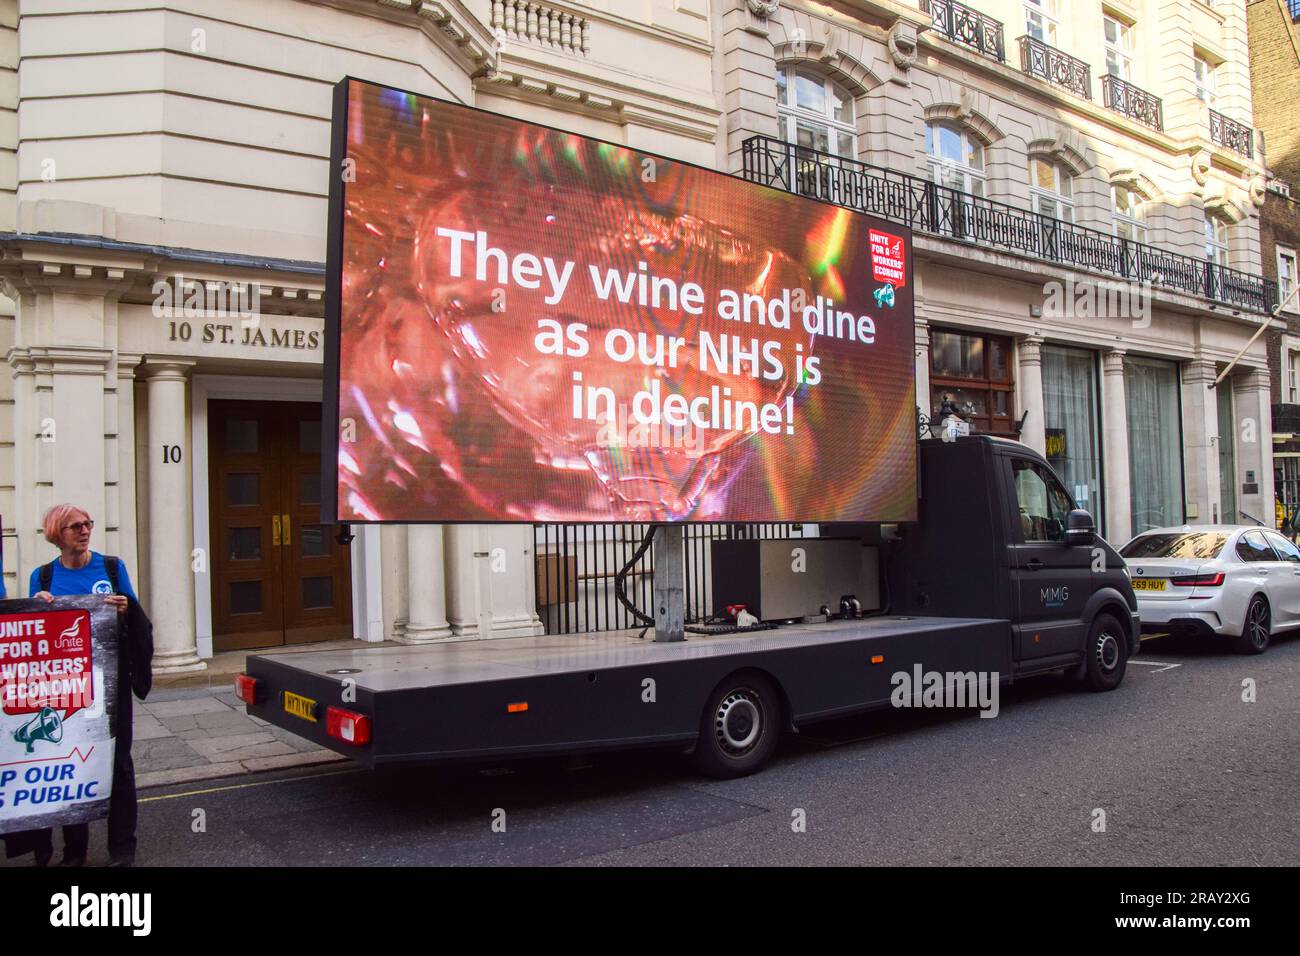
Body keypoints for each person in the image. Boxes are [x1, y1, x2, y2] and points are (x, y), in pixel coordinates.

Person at [8, 504, 149, 867]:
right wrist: (38, 608)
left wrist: (124, 608)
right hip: (68, 686)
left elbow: (137, 618)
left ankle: (122, 848)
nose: (85, 530)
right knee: (74, 764)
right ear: (57, 534)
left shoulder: (113, 568)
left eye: (88, 524)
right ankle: (75, 851)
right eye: (75, 526)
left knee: (118, 764)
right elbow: (34, 635)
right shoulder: (42, 578)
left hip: (111, 683)